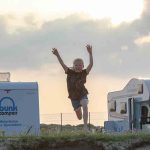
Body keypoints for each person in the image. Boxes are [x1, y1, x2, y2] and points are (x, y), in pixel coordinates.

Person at [52, 44, 93, 131]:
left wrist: (90, 53)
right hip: (73, 97)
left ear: (82, 66)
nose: (78, 67)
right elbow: (62, 63)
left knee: (85, 105)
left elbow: (91, 64)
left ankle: (85, 127)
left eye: (80, 65)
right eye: (76, 65)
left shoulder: (84, 73)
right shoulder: (69, 72)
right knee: (79, 117)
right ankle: (79, 111)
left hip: (82, 93)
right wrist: (57, 55)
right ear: (73, 66)